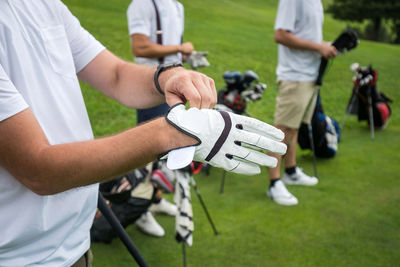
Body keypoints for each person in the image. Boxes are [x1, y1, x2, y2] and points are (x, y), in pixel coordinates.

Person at [0, 1, 286, 266]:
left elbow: (115, 74)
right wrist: (172, 134)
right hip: (22, 257)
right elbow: (37, 168)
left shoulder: (46, 4)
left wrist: (169, 75)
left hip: (75, 238)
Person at [126, 0, 194, 236]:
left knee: (165, 152)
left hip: (174, 88)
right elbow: (140, 48)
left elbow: (175, 50)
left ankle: (153, 200)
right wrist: (179, 47)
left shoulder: (177, 6)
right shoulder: (142, 4)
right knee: (147, 151)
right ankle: (139, 209)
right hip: (150, 87)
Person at [266, 0, 338, 206]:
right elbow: (280, 35)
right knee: (282, 130)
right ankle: (274, 183)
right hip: (295, 75)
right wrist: (318, 47)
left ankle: (290, 171)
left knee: (295, 128)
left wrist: (324, 46)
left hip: (310, 74)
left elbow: (306, 34)